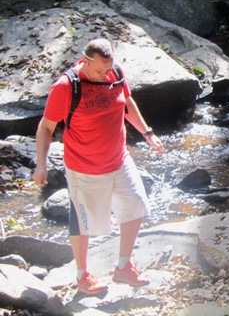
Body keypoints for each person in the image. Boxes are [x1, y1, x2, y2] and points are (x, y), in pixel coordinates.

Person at [34, 38, 163, 296]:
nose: (105, 74)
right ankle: (82, 276)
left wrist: (147, 132)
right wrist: (41, 164)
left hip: (119, 159)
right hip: (84, 167)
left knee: (136, 205)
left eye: (108, 68)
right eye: (99, 70)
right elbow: (46, 127)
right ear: (85, 60)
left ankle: (123, 267)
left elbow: (127, 103)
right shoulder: (66, 86)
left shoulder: (115, 73)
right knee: (83, 223)